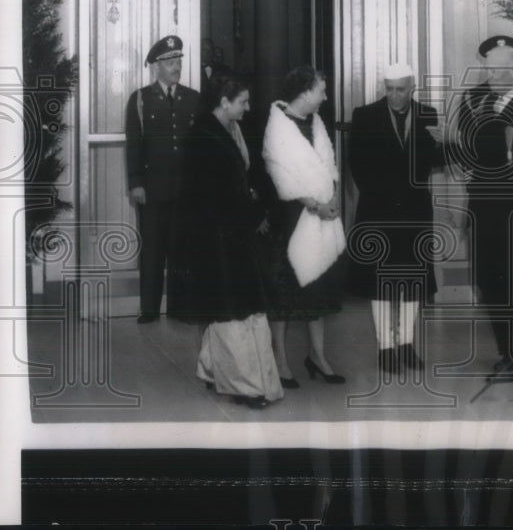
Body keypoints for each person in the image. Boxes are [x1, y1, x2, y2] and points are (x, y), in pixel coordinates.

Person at [430, 35, 513, 381]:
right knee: (488, 274)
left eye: (494, 68)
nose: (487, 73)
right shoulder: (476, 97)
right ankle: (512, 344)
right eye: (486, 66)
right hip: (483, 202)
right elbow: (471, 151)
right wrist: (454, 152)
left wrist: (460, 141)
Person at [183, 74, 283, 409]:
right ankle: (245, 385)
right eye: (242, 101)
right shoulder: (204, 136)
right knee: (233, 311)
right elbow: (218, 194)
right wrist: (254, 213)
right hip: (217, 237)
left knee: (231, 308)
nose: (248, 107)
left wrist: (253, 209)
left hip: (231, 233)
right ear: (224, 102)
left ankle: (211, 370)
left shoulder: (228, 130)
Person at [348, 63, 441, 375]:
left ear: (412, 87)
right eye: (389, 89)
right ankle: (386, 347)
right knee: (381, 282)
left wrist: (445, 141)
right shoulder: (365, 115)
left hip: (415, 211)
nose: (394, 95)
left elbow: (434, 161)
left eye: (400, 89)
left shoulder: (428, 115)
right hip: (378, 211)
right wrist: (382, 195)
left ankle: (406, 342)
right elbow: (356, 165)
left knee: (414, 282)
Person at [262, 65, 347, 385]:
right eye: (321, 91)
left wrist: (333, 197)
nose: (325, 97)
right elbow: (282, 177)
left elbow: (330, 167)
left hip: (323, 215)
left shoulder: (317, 123)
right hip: (291, 218)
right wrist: (314, 205)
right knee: (284, 291)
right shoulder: (278, 127)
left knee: (319, 286)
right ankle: (280, 361)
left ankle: (317, 356)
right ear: (304, 92)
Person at [124, 34, 201, 323]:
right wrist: (136, 183)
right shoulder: (141, 99)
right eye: (170, 60)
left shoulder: (193, 98)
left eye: (179, 59)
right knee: (153, 250)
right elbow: (134, 145)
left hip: (185, 191)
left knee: (182, 250)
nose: (176, 65)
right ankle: (150, 308)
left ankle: (181, 308)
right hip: (153, 190)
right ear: (156, 65)